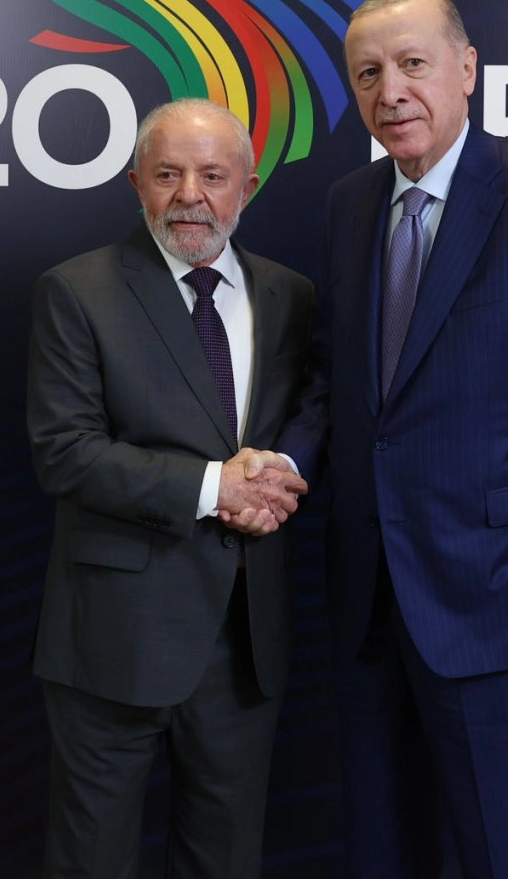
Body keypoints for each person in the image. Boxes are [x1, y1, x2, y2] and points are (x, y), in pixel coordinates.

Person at [272, 0, 508, 878]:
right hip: (367, 595)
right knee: (380, 849)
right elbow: (336, 377)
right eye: (367, 74)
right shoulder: (348, 203)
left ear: (466, 70)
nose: (390, 91)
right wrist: (284, 464)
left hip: (493, 593)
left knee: (503, 854)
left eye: (412, 64)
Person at [26, 97, 313, 879]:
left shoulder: (291, 295)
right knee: (90, 862)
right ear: (136, 185)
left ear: (247, 187)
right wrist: (217, 487)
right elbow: (64, 453)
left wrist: (278, 477)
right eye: (167, 175)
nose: (191, 195)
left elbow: (309, 419)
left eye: (213, 176)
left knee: (224, 861)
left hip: (244, 641)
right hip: (113, 635)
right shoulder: (76, 291)